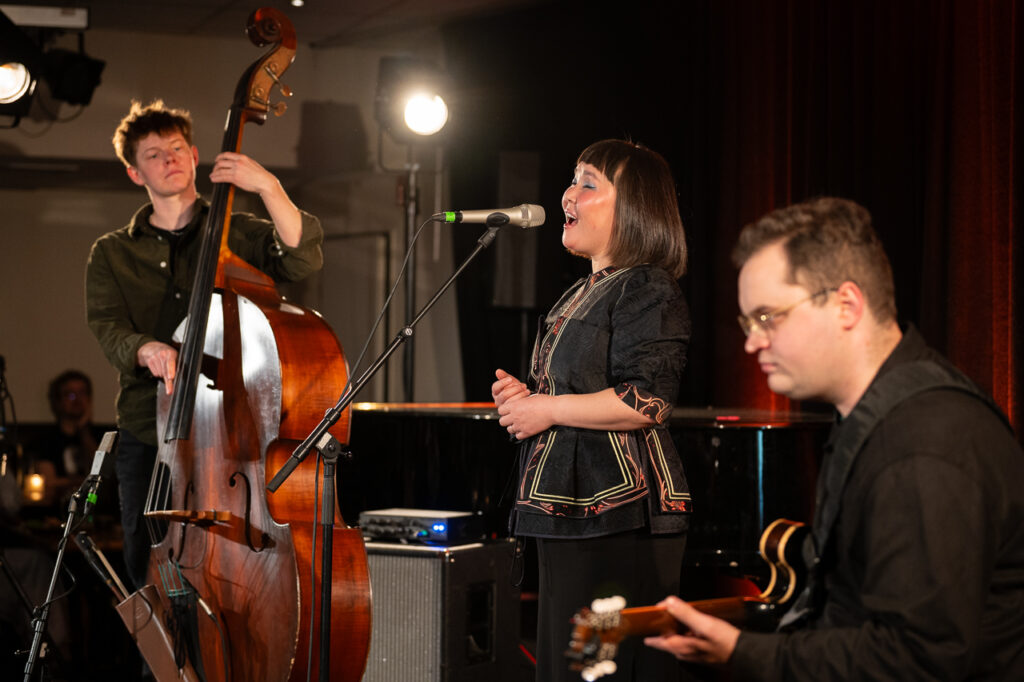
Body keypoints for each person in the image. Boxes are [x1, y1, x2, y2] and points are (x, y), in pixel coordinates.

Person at [644, 197, 1024, 680]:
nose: (752, 342)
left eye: (768, 317)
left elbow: (918, 659)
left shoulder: (925, 441)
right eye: (748, 323)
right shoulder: (878, 416)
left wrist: (744, 653)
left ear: (847, 305)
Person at [85, 99, 324, 593]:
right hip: (149, 430)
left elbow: (300, 259)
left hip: (231, 428)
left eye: (176, 148)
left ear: (195, 156)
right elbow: (109, 327)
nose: (169, 159)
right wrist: (147, 349)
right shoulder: (112, 252)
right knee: (145, 569)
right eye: (154, 155)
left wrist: (269, 186)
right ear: (135, 173)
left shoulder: (235, 231)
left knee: (233, 570)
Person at [492, 139, 692, 681]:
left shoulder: (647, 286)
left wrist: (547, 408)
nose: (568, 195)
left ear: (634, 207)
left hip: (618, 515)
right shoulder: (580, 292)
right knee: (568, 667)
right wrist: (526, 401)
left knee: (601, 670)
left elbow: (647, 400)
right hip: (570, 510)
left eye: (588, 183)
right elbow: (567, 395)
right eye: (572, 180)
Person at [25, 370, 104, 509]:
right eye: (70, 395)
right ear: (58, 401)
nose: (77, 400)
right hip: (55, 512)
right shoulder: (45, 441)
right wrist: (84, 482)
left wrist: (83, 431)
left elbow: (103, 476)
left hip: (96, 513)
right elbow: (49, 484)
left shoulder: (101, 437)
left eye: (82, 393)